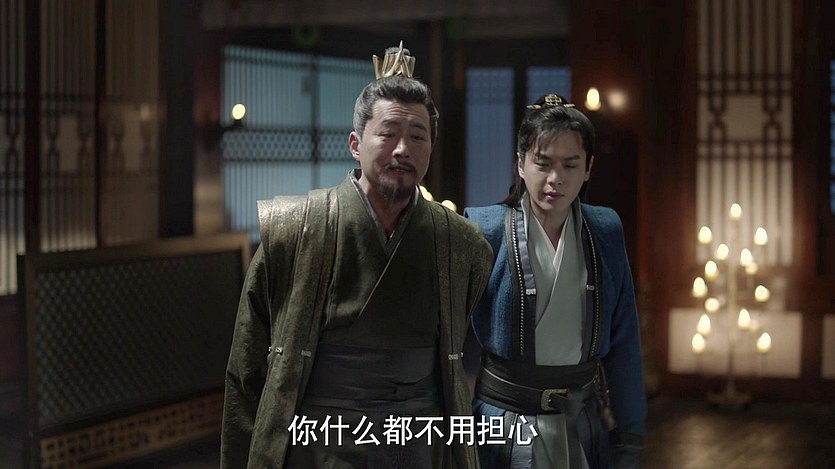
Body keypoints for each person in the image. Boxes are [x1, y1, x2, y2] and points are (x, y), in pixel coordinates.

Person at [221, 42, 493, 469]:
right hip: (318, 441)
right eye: (388, 133)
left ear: (431, 147)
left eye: (417, 136)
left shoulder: (461, 243)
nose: (403, 148)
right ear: (355, 143)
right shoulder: (295, 230)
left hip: (419, 442)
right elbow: (246, 368)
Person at [464, 94, 645, 468]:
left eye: (570, 165)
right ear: (520, 163)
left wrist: (630, 435)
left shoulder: (604, 230)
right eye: (542, 163)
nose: (555, 179)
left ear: (588, 168)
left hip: (582, 420)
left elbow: (624, 340)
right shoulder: (484, 230)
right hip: (502, 420)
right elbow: (450, 340)